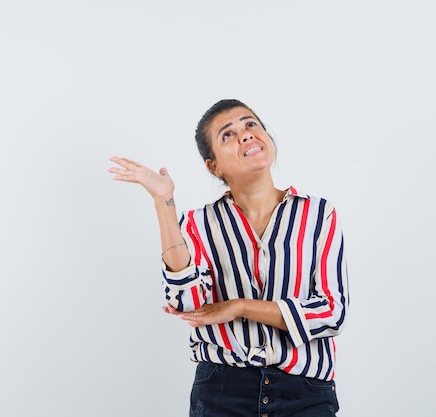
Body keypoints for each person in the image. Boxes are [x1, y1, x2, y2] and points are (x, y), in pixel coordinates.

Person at [108, 99, 349, 417]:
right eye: (228, 134)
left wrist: (240, 306)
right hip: (222, 392)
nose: (246, 135)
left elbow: (332, 312)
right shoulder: (199, 223)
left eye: (251, 125)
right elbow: (187, 302)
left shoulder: (318, 214)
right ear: (214, 166)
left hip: (305, 394)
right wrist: (164, 202)